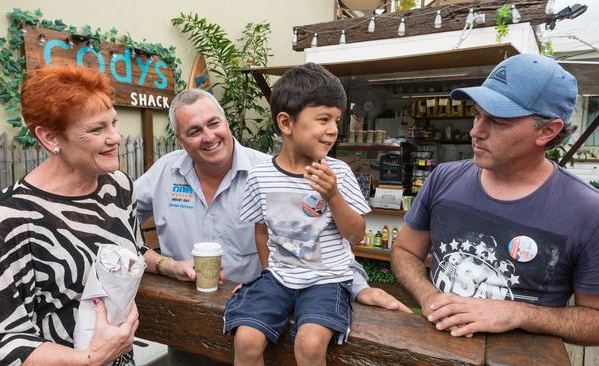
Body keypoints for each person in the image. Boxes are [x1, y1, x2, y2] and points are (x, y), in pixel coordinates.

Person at [0, 65, 170, 366]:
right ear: (49, 138)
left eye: (113, 123)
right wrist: (91, 358)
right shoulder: (13, 215)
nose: (115, 137)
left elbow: (126, 255)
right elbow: (4, 336)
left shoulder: (119, 187)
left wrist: (167, 265)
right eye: (97, 130)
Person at [391, 53, 599, 345]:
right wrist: (430, 297)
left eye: (498, 121)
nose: (476, 131)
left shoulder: (588, 211)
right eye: (477, 114)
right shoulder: (443, 178)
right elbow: (405, 251)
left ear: (547, 130)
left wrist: (519, 313)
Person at [223, 63, 411, 366]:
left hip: (328, 280)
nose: (334, 129)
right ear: (286, 123)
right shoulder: (260, 177)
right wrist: (267, 273)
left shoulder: (338, 172)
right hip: (279, 278)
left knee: (309, 344)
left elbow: (356, 235)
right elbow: (261, 232)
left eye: (336, 120)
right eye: (323, 119)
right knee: (246, 339)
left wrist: (333, 196)